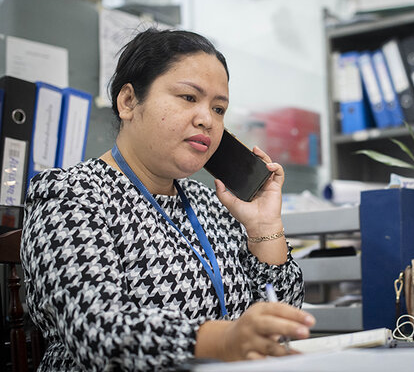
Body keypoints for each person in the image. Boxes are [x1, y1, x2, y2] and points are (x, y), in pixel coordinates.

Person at [21, 28, 313, 371]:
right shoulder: (70, 195)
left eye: (219, 108)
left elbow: (282, 317)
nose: (207, 119)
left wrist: (264, 225)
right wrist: (224, 340)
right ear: (129, 102)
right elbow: (98, 332)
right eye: (189, 98)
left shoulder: (213, 204)